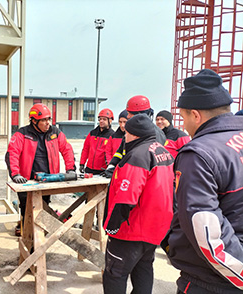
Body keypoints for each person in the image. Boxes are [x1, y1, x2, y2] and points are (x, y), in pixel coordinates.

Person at [166, 69, 243, 293]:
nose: (184, 125)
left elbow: (208, 235)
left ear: (195, 115)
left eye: (184, 117)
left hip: (214, 281)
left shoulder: (199, 154)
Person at [102, 114, 174, 294]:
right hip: (155, 228)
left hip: (131, 230)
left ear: (134, 135)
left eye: (126, 133)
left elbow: (127, 197)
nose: (124, 137)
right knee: (143, 269)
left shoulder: (137, 156)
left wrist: (112, 226)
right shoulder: (162, 152)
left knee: (115, 273)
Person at [5, 103, 76, 236]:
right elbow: (12, 153)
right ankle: (28, 236)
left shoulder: (55, 132)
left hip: (47, 180)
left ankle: (39, 235)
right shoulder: (22, 134)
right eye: (43, 120)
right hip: (26, 181)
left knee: (43, 207)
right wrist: (15, 174)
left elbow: (67, 149)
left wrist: (71, 168)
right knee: (26, 208)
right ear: (34, 121)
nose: (47, 123)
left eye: (48, 119)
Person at [103, 95, 169, 178]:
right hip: (128, 173)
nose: (128, 116)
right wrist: (112, 166)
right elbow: (120, 151)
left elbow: (147, 160)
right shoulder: (132, 130)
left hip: (142, 176)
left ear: (140, 115)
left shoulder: (156, 134)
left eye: (130, 113)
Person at [79, 108, 115, 175]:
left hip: (102, 171)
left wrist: (110, 169)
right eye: (100, 119)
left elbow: (113, 154)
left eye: (104, 119)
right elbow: (85, 149)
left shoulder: (112, 136)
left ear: (110, 121)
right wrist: (82, 163)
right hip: (89, 169)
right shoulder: (92, 133)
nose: (101, 121)